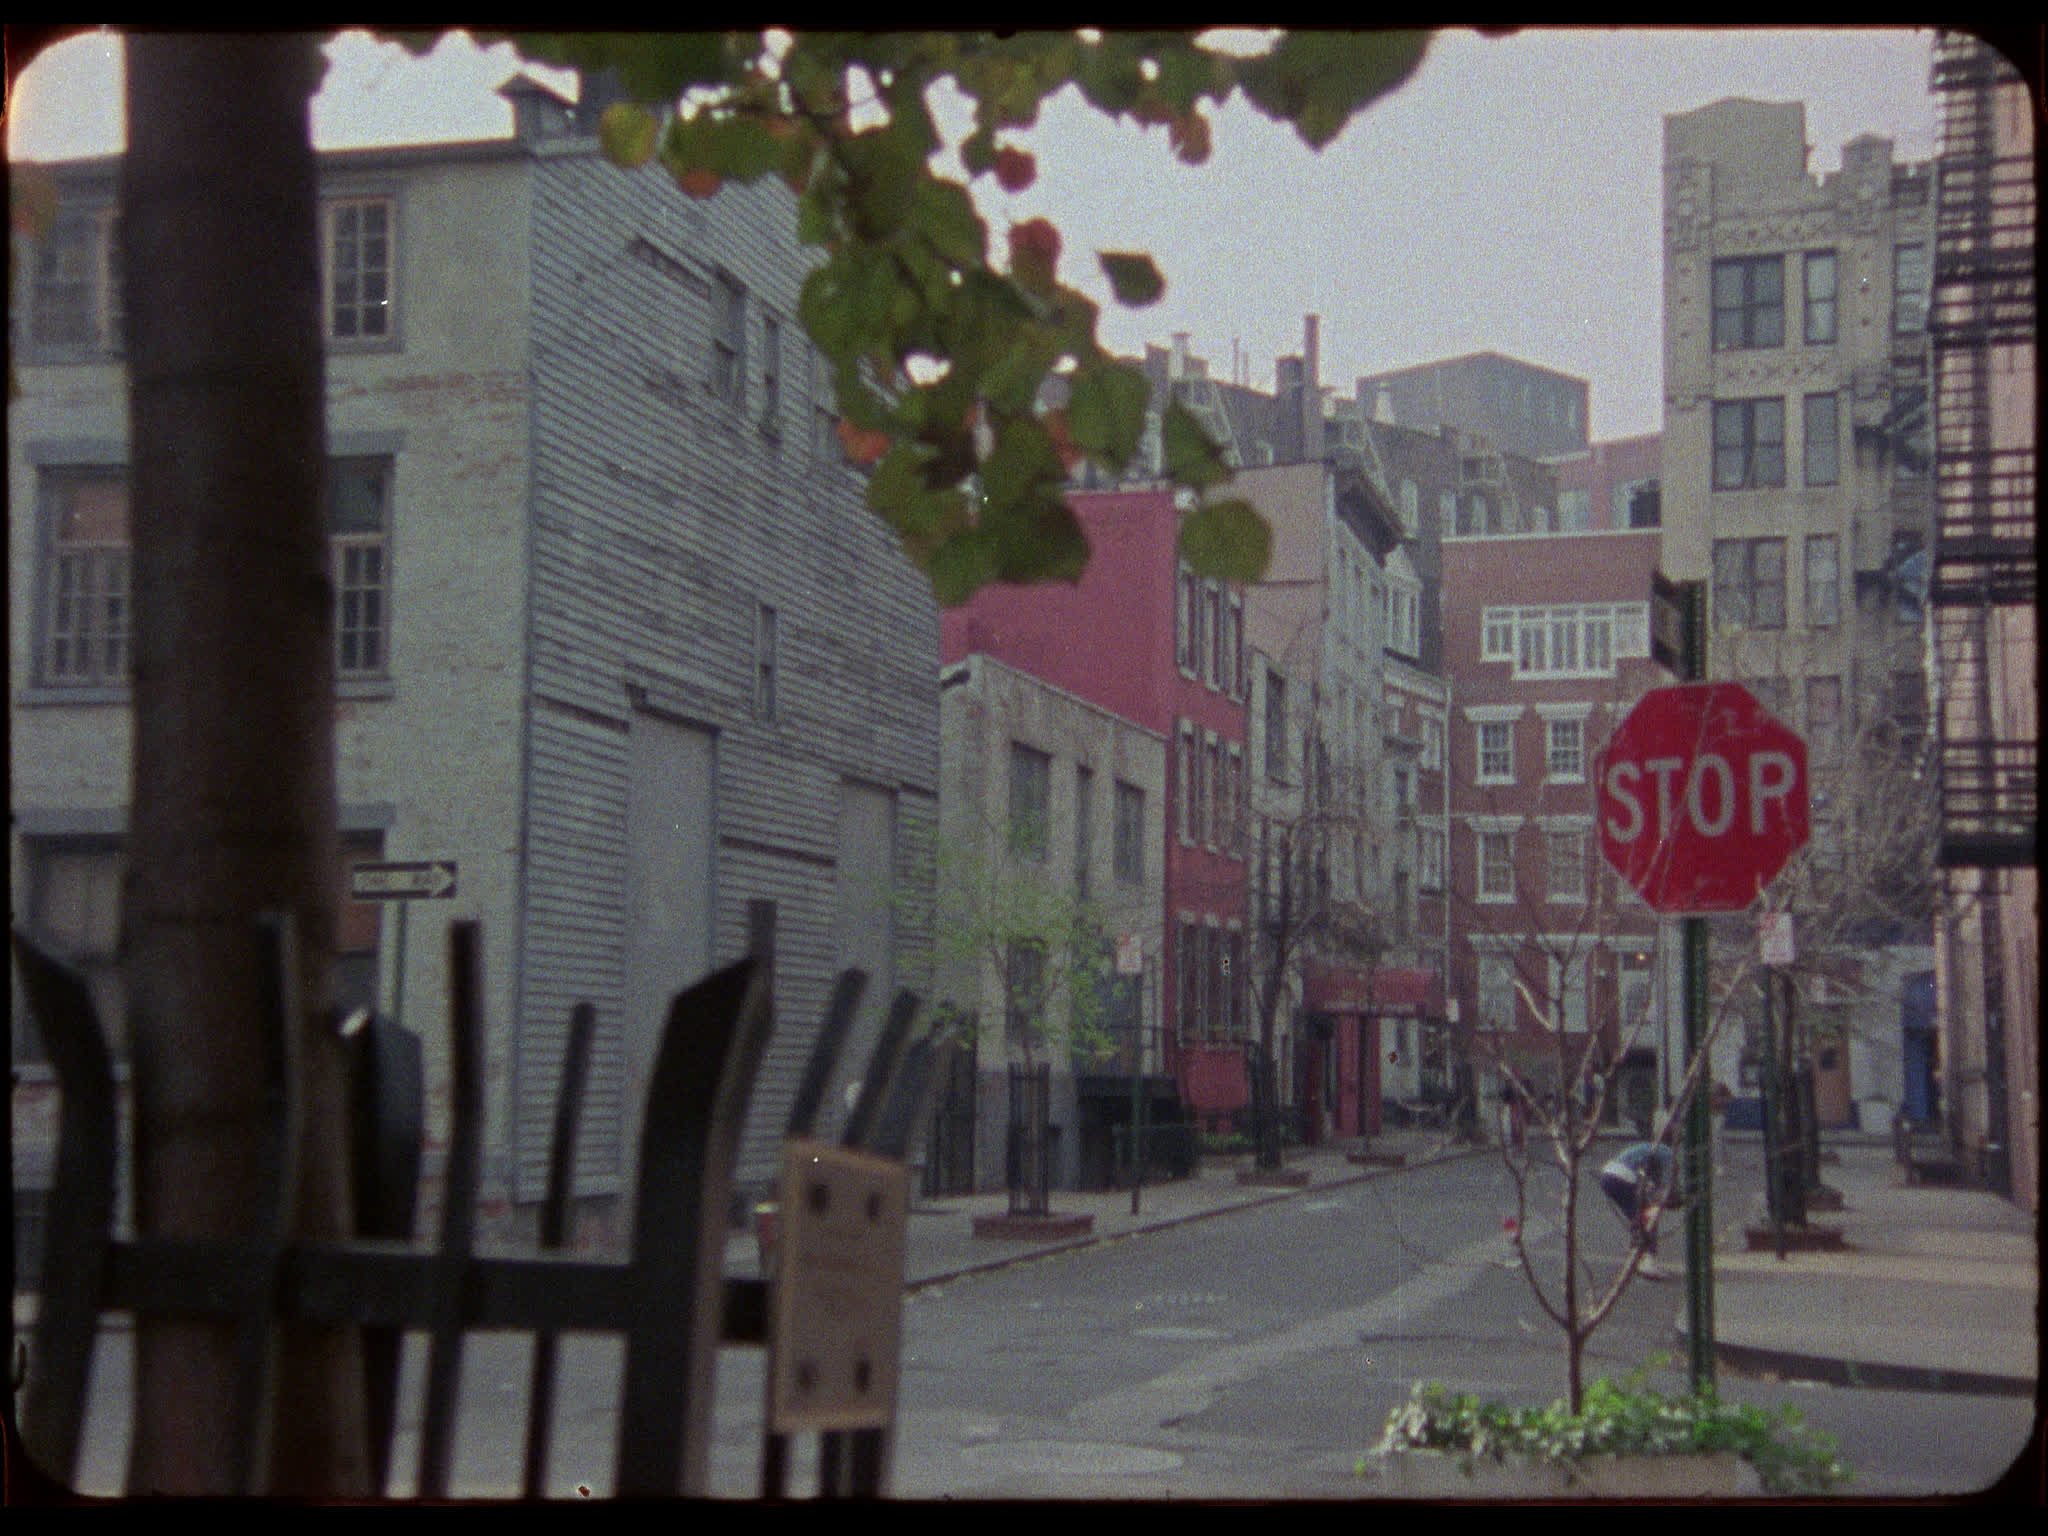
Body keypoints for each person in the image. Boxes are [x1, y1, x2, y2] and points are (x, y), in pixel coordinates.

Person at [1599, 1138, 1677, 1279]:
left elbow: (1650, 1183)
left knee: (1637, 1216)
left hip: (1607, 1175)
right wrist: (1670, 1198)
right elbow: (1664, 1185)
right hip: (1622, 1177)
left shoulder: (1649, 1148)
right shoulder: (1668, 1154)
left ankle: (1636, 1255)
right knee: (1647, 1217)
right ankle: (1647, 1262)